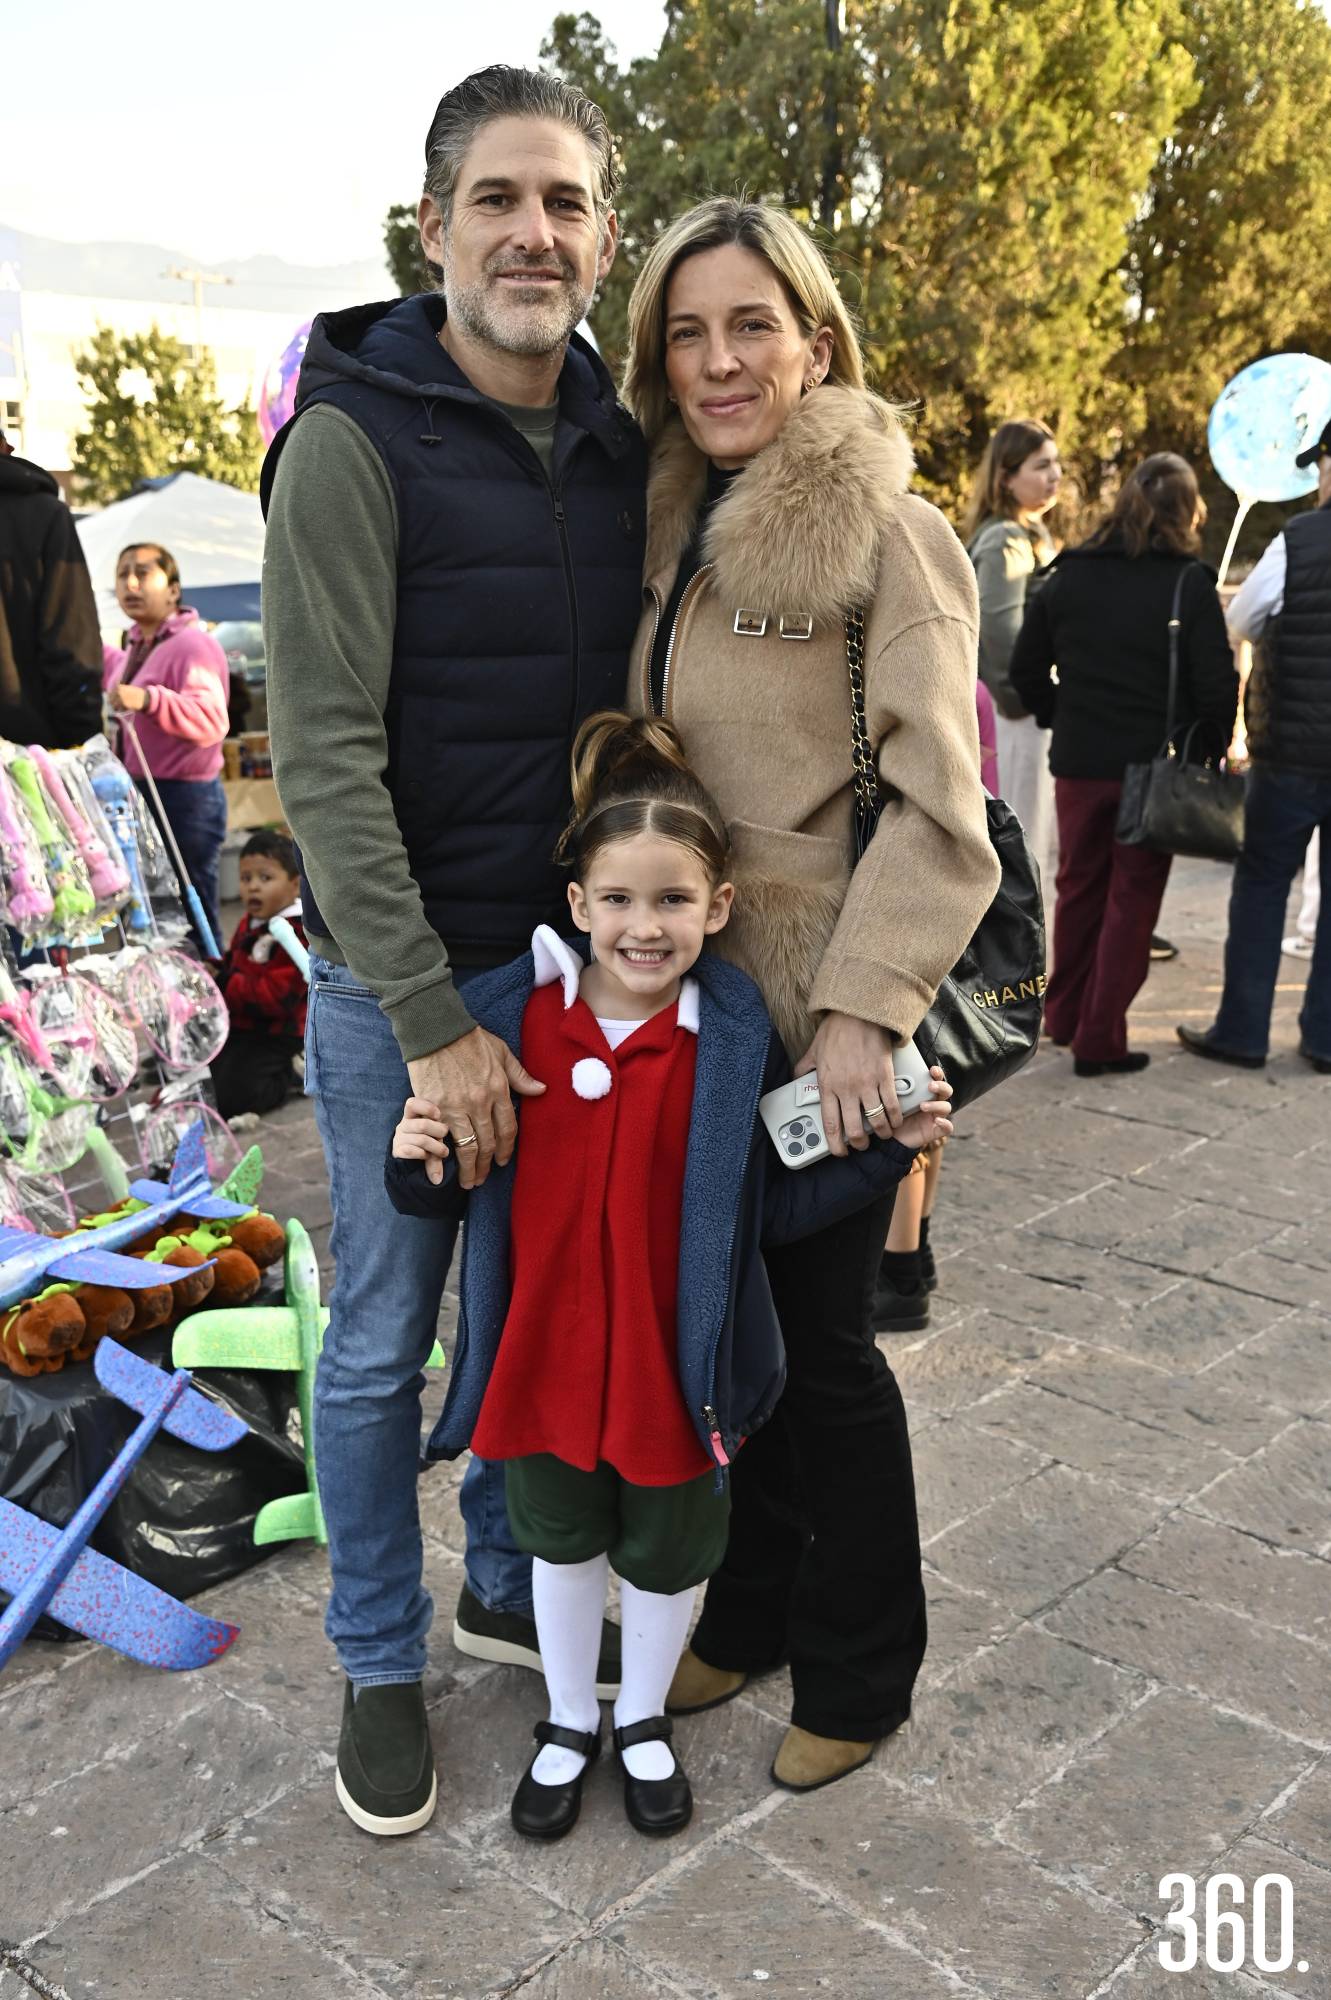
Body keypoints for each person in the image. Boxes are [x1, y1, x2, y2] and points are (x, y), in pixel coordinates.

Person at [261, 65, 647, 1834]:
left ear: (603, 239)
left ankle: (502, 1574)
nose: (533, 233)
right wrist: (429, 1023)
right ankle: (376, 1659)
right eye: (499, 198)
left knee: (527, 1292)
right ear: (432, 229)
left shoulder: (620, 443)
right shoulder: (352, 436)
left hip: (569, 972)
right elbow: (325, 757)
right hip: (394, 991)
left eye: (565, 204)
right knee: (382, 1333)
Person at [386, 713, 955, 1839]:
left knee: (665, 1549)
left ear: (720, 908)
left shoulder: (731, 1035)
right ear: (578, 906)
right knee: (559, 1538)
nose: (644, 927)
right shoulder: (506, 1018)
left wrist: (886, 1152)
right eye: (620, 900)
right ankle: (563, 1717)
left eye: (673, 901)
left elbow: (771, 1212)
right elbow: (452, 1182)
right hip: (545, 1357)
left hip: (671, 1365)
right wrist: (416, 1165)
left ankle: (638, 1717)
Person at [620, 196, 999, 1792]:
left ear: (814, 340)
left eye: (749, 324)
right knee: (737, 1338)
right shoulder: (678, 527)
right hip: (706, 1015)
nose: (717, 359)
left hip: (823, 1017)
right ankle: (758, 1603)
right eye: (687, 330)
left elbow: (943, 807)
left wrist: (861, 1006)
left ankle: (862, 1663)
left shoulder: (881, 530)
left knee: (828, 1358)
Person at [1010, 453, 1238, 1075]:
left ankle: (1063, 1016)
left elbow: (1026, 670)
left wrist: (1065, 714)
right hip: (1153, 768)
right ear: (1186, 510)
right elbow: (1216, 684)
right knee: (1131, 900)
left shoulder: (1069, 574)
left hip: (1080, 762)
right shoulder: (1187, 581)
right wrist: (1210, 747)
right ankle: (1099, 1039)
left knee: (1078, 889)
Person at [1177, 416, 1331, 1072]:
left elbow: (1241, 619)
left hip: (1291, 751)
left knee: (1264, 882)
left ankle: (1241, 1031)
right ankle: (1324, 1038)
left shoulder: (1298, 539)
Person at [103, 543, 230, 950]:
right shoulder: (135, 648)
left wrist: (150, 700)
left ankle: (213, 998)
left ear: (174, 590)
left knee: (191, 913)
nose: (130, 583)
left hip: (184, 798)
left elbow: (212, 720)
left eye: (143, 573)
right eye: (123, 574)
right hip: (140, 793)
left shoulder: (194, 645)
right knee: (157, 911)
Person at [962, 419, 1061, 885]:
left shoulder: (1023, 532)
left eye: (1056, 463)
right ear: (1006, 476)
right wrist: (1027, 703)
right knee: (1022, 838)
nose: (1054, 475)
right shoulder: (1005, 538)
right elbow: (1000, 630)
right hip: (1012, 712)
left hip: (1013, 708)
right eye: (1041, 465)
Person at [0, 429, 103, 747]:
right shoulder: (44, 516)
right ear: (7, 448)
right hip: (25, 760)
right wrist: (84, 743)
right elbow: (69, 643)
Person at [210, 830, 307, 1122]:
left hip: (278, 1033)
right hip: (244, 1022)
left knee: (235, 1098)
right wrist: (216, 968)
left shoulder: (295, 931)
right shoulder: (250, 921)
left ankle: (290, 1075)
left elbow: (277, 997)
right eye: (245, 878)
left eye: (265, 879)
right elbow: (235, 961)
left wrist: (225, 982)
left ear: (294, 884)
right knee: (206, 1078)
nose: (253, 887)